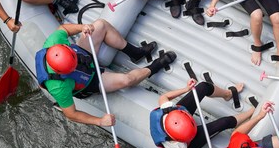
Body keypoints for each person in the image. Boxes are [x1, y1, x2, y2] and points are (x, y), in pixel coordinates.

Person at [36, 19, 177, 126]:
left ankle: (135, 53)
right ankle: (155, 67)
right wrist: (100, 121)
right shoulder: (58, 87)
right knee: (126, 81)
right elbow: (71, 114)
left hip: (82, 56)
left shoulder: (54, 42)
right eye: (72, 67)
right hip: (90, 81)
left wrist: (82, 28)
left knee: (100, 24)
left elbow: (64, 29)